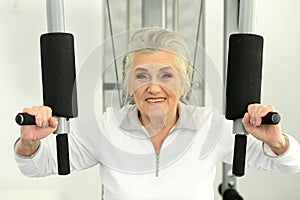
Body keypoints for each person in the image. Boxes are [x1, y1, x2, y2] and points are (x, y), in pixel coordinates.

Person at [14, 27, 300, 200]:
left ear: (184, 83)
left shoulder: (210, 125)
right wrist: (30, 143)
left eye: (166, 75)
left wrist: (276, 142)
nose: (154, 87)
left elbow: (290, 164)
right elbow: (37, 167)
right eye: (141, 76)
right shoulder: (107, 127)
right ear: (128, 85)